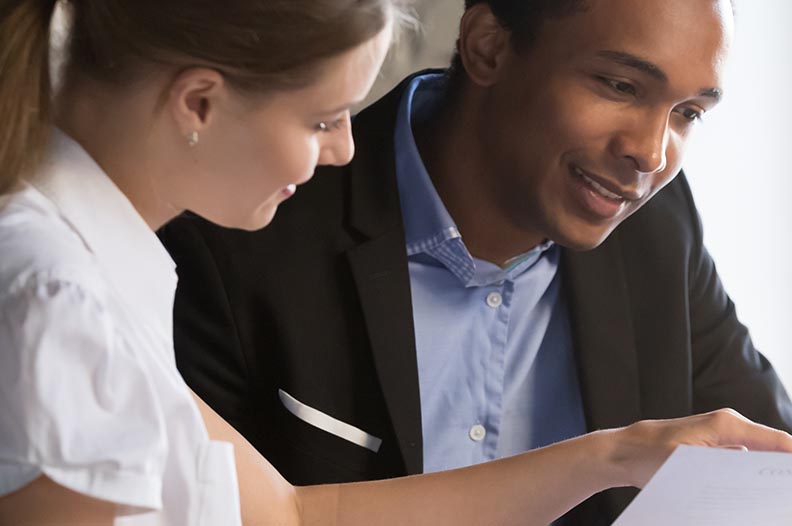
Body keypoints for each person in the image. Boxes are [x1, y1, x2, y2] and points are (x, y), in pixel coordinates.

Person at [1, 0, 791, 525]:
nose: (345, 147)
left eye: (688, 114)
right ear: (199, 103)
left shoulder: (106, 274)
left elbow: (295, 515)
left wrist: (613, 457)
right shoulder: (55, 301)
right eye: (324, 118)